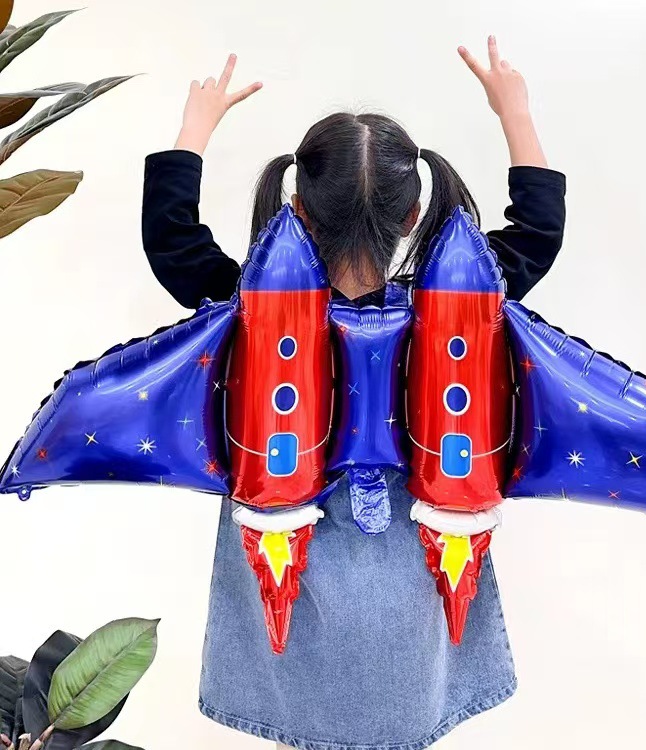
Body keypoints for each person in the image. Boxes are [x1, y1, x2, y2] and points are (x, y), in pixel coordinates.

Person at [142, 35, 566, 750]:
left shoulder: (248, 310)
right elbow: (538, 235)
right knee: (403, 704)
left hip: (283, 528)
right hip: (420, 544)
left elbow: (171, 241)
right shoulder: (455, 312)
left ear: (298, 209)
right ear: (413, 215)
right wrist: (515, 114)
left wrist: (194, 130)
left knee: (300, 703)